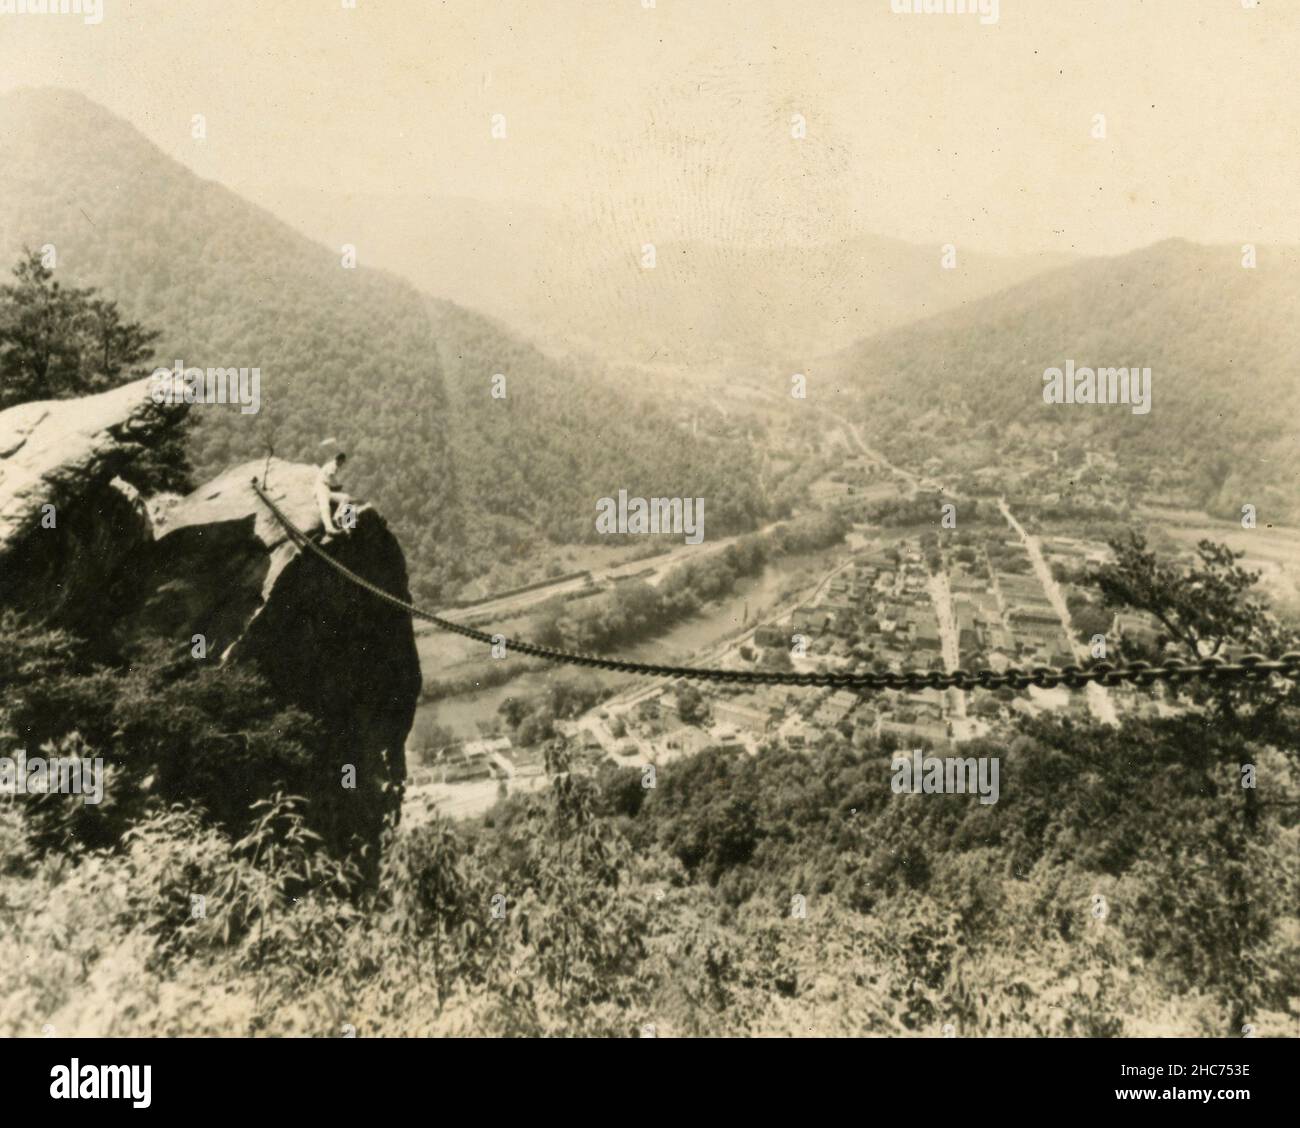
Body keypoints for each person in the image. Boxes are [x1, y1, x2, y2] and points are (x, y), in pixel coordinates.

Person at [315, 451, 353, 543]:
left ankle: (338, 516)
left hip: (327, 488)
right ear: (339, 460)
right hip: (321, 487)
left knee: (346, 497)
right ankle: (329, 528)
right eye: (342, 462)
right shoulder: (332, 465)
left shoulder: (333, 466)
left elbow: (330, 480)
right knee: (325, 507)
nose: (342, 464)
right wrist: (337, 486)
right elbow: (331, 477)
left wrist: (335, 487)